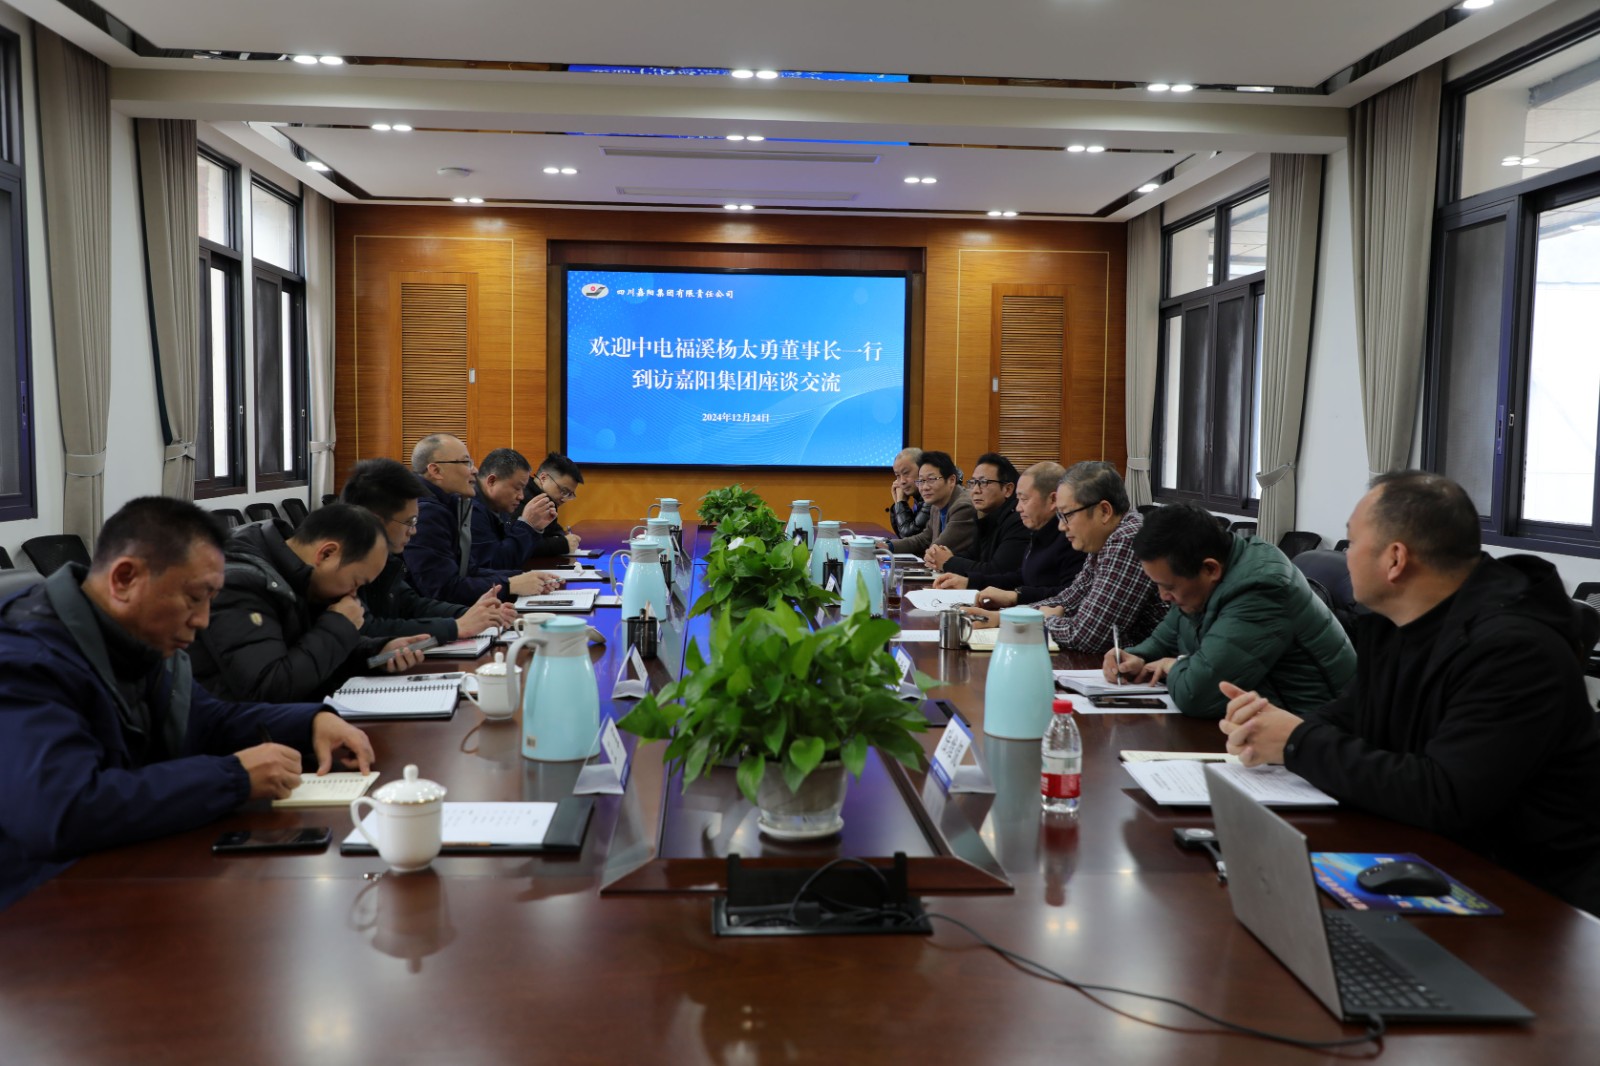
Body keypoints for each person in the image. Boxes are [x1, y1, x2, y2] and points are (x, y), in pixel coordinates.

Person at [1220, 472, 1600, 916]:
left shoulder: (1515, 650)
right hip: (1429, 856)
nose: (1346, 557)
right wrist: (1270, 727)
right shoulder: (1397, 623)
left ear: (1395, 559)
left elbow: (1447, 794)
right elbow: (1353, 714)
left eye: (1352, 542)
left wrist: (1296, 742)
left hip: (1532, 899)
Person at [0, 497, 376, 910]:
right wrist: (233, 777)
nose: (203, 620)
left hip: (127, 872)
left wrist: (310, 723)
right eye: (195, 597)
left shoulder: (137, 638)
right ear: (125, 579)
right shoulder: (25, 660)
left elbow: (207, 720)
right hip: (35, 906)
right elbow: (63, 811)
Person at [1106, 501, 1355, 719]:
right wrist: (1137, 656)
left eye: (1169, 587)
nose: (1163, 596)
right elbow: (1168, 635)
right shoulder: (1208, 578)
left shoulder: (1261, 589)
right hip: (1264, 722)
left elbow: (1197, 695)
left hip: (1315, 731)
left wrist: (1174, 665)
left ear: (1210, 569)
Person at [190, 503, 430, 702]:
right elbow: (270, 688)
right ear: (326, 554)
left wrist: (377, 652)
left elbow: (306, 648)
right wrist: (339, 624)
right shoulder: (238, 583)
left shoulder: (296, 574)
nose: (354, 595)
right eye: (355, 582)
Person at [964, 461, 1165, 653]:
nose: (1061, 526)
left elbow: (1088, 636)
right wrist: (1003, 617)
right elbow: (1070, 598)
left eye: (1067, 515)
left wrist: (1043, 620)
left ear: (1104, 511)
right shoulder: (1104, 539)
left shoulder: (1127, 541)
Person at [341, 457, 516, 642]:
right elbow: (368, 629)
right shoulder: (343, 565)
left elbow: (411, 604)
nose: (414, 530)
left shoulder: (386, 557)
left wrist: (471, 614)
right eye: (410, 522)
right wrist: (456, 627)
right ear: (375, 520)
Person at [403, 434, 562, 606]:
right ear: (436, 471)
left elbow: (468, 570)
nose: (474, 470)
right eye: (466, 462)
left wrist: (518, 578)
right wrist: (510, 585)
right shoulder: (426, 512)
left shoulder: (452, 504)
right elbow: (443, 589)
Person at [935, 461, 1085, 599]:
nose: (1018, 508)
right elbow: (1022, 577)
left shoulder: (1071, 538)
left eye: (1024, 499)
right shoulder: (1039, 530)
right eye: (1018, 500)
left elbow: (1069, 596)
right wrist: (969, 582)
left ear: (1053, 500)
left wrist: (1015, 597)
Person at [926, 453, 1029, 581]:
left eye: (983, 482)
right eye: (973, 482)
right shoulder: (985, 516)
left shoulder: (1018, 521)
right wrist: (942, 557)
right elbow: (973, 555)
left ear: (1007, 489)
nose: (975, 490)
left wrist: (949, 562)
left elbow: (997, 571)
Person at [470, 449, 578, 570]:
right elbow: (496, 563)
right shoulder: (473, 509)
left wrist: (535, 529)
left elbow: (508, 552)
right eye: (517, 488)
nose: (521, 496)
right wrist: (527, 525)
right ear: (492, 481)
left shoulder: (499, 506)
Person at [884, 450, 976, 557]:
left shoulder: (963, 506)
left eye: (931, 479)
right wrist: (887, 546)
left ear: (951, 480)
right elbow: (923, 539)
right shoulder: (936, 505)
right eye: (921, 481)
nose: (925, 487)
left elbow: (937, 550)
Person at [887, 447, 930, 540]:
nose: (902, 481)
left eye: (906, 473)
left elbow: (910, 536)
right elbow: (903, 536)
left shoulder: (932, 497)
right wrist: (898, 503)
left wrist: (901, 503)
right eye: (897, 475)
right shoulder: (918, 496)